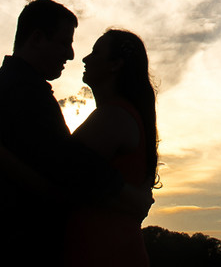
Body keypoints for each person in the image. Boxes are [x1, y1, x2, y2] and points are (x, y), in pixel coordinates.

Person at [0, 0, 127, 264]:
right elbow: (66, 166)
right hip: (6, 248)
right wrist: (126, 190)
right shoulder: (22, 92)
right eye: (64, 42)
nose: (70, 54)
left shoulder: (15, 86)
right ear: (36, 38)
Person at [67, 29, 159, 266]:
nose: (85, 59)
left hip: (104, 252)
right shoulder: (122, 115)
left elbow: (57, 176)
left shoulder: (113, 117)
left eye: (95, 52)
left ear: (115, 64)